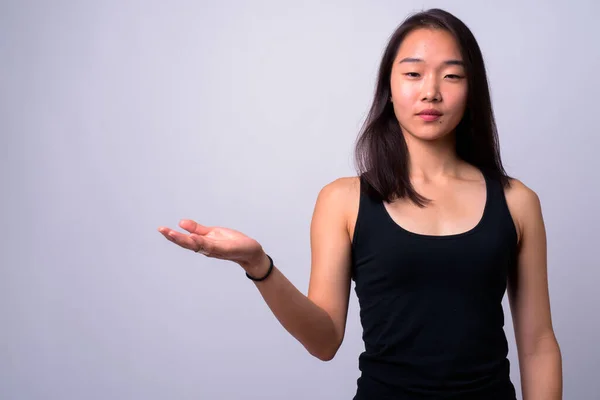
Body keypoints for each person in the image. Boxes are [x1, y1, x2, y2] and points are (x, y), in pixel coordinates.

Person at [157, 8, 562, 400]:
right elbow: (324, 340)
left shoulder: (517, 202)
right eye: (413, 74)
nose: (431, 91)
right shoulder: (343, 201)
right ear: (389, 88)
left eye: (452, 75)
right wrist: (258, 265)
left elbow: (538, 343)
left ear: (472, 90)